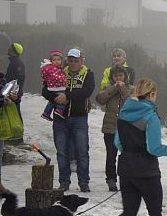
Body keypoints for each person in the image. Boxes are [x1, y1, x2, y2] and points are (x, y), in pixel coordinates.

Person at [88, 79, 167, 216]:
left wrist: (130, 153)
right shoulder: (151, 117)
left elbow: (117, 143)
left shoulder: (123, 113)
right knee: (155, 213)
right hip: (147, 171)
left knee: (129, 213)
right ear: (152, 94)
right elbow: (154, 148)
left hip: (126, 169)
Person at [42, 48, 95, 193]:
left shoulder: (88, 74)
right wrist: (55, 98)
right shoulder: (59, 71)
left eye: (76, 61)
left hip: (79, 118)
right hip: (60, 118)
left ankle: (84, 182)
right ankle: (64, 182)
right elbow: (45, 90)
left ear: (81, 61)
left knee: (82, 151)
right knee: (62, 152)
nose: (73, 63)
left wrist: (68, 96)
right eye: (70, 60)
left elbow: (87, 91)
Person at [95, 65, 131, 192]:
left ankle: (127, 180)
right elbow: (100, 99)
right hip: (110, 128)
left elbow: (130, 101)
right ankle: (111, 180)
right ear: (112, 77)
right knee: (111, 155)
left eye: (120, 75)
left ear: (125, 76)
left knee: (127, 156)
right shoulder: (107, 88)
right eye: (115, 76)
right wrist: (113, 88)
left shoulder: (131, 89)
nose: (118, 78)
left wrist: (122, 88)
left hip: (126, 128)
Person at [0, 58, 20, 194]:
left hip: (0, 122)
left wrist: (14, 97)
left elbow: (10, 95)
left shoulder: (2, 80)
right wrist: (1, 101)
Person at [40, 50, 67, 120]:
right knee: (63, 98)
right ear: (51, 61)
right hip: (58, 87)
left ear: (61, 60)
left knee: (51, 102)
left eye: (58, 59)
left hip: (52, 88)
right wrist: (64, 79)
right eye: (54, 60)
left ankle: (46, 113)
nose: (56, 61)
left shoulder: (54, 68)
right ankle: (59, 110)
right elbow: (56, 77)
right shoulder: (53, 69)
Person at [5, 43, 25, 123]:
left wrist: (16, 94)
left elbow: (20, 80)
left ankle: (20, 130)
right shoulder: (13, 62)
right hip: (10, 92)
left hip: (14, 94)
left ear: (14, 51)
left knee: (16, 113)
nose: (8, 49)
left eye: (10, 48)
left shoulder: (18, 63)